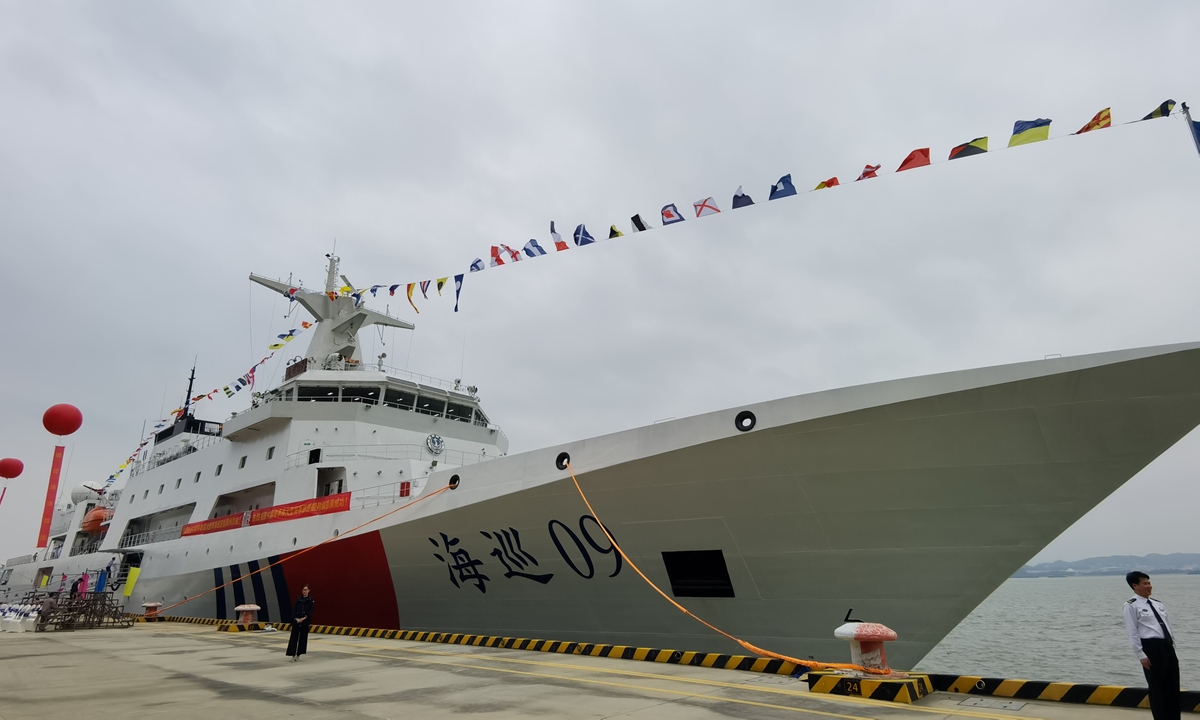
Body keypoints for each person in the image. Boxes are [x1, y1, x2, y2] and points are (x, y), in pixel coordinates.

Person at [1123, 571, 1180, 719]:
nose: (1149, 586)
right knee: (1157, 688)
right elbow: (1132, 631)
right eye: (1145, 583)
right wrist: (1140, 654)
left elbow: (1167, 625)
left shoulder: (1157, 603)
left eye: (1149, 582)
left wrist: (1172, 644)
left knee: (1173, 686)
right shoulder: (1131, 605)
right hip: (1151, 648)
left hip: (1167, 646)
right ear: (1135, 586)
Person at [285, 585, 314, 662]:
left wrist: (303, 618)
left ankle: (298, 654)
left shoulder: (310, 600)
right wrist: (296, 618)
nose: (304, 591)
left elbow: (310, 611)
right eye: (303, 590)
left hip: (305, 622)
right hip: (296, 621)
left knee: (303, 639)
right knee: (293, 638)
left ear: (309, 591)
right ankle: (292, 654)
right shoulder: (298, 600)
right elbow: (294, 609)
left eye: (306, 590)